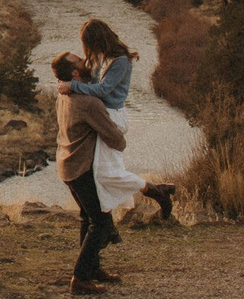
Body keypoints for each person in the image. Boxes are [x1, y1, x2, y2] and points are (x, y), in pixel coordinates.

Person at [67, 19, 179, 232]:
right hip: (101, 116)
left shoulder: (120, 61)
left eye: (88, 44)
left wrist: (72, 85)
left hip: (112, 118)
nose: (86, 50)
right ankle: (107, 222)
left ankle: (156, 192)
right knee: (100, 173)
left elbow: (103, 90)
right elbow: (90, 82)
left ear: (97, 40)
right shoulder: (101, 58)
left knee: (106, 174)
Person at [54, 49, 128, 294]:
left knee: (88, 218)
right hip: (82, 168)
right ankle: (80, 278)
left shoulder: (63, 95)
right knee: (101, 223)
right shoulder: (88, 103)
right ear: (75, 73)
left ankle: (93, 268)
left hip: (66, 165)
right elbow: (114, 137)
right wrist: (120, 143)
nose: (86, 61)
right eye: (80, 61)